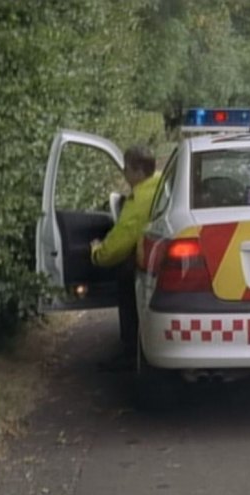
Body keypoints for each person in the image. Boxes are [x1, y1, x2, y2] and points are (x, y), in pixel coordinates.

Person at [91, 145, 160, 368]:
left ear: (138, 171)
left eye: (127, 170)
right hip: (162, 258)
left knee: (125, 279)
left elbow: (119, 243)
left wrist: (97, 252)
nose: (124, 174)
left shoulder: (138, 201)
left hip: (147, 263)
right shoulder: (160, 182)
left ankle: (130, 351)